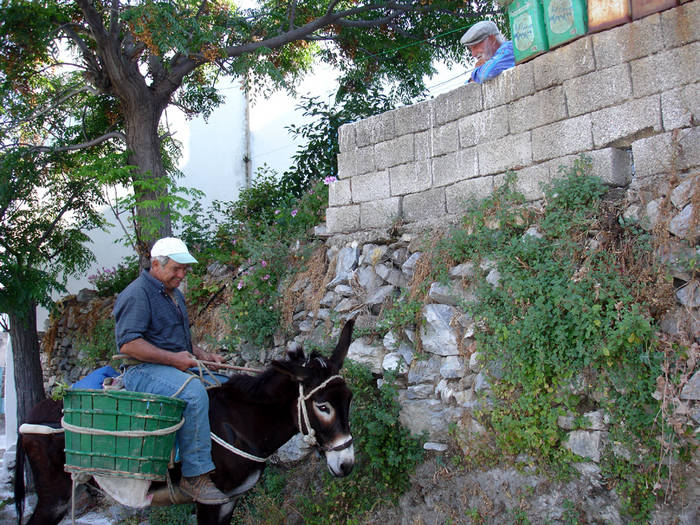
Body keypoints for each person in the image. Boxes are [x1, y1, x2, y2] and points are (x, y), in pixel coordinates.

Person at [113, 237, 228, 504]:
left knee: (227, 386)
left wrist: (204, 356)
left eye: (184, 269)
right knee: (194, 394)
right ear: (156, 264)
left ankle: (222, 461)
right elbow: (129, 344)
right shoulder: (136, 294)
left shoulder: (174, 293)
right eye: (176, 268)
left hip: (169, 366)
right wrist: (175, 360)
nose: (182, 274)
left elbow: (179, 340)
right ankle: (194, 477)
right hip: (141, 371)